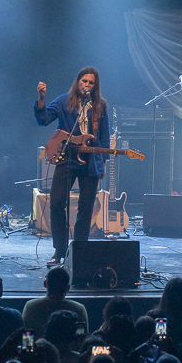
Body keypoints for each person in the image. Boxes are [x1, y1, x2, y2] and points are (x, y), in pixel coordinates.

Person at [35, 67, 110, 265]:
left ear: (95, 86)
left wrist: (102, 162)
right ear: (78, 82)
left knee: (86, 208)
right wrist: (41, 100)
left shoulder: (100, 106)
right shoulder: (63, 101)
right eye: (84, 81)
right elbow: (43, 120)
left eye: (91, 82)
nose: (87, 85)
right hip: (67, 160)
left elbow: (104, 137)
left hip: (90, 162)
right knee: (57, 203)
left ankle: (79, 251)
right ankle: (59, 251)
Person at [22, 267, 89, 340]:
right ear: (68, 288)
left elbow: (27, 338)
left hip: (40, 351)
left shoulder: (31, 306)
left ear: (45, 284)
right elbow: (82, 339)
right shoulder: (79, 309)